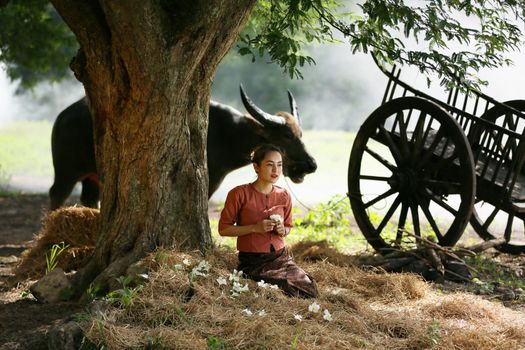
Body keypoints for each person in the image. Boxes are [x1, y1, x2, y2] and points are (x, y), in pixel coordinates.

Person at [218, 143, 318, 298]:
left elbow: (288, 226)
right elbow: (223, 229)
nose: (276, 170)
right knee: (284, 289)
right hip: (254, 261)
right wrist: (254, 228)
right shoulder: (238, 194)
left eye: (279, 165)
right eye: (270, 165)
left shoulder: (284, 195)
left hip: (281, 257)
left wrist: (282, 230)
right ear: (256, 167)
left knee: (309, 288)